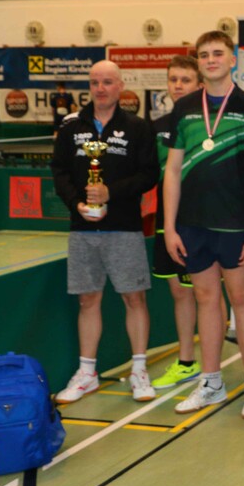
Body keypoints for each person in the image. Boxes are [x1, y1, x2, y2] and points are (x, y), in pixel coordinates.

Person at [163, 31, 244, 418]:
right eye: (204, 55)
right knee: (206, 299)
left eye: (218, 53)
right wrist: (170, 227)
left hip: (236, 223)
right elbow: (172, 171)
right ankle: (212, 383)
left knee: (241, 300)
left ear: (233, 59)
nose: (210, 60)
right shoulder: (185, 108)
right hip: (192, 224)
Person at [50, 60, 159, 404]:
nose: (101, 88)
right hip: (82, 229)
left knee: (134, 298)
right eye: (95, 82)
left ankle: (139, 370)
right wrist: (76, 203)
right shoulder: (72, 127)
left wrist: (111, 192)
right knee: (88, 299)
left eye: (108, 82)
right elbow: (59, 171)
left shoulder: (137, 128)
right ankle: (87, 373)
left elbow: (149, 174)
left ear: (120, 85)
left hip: (124, 228)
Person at [150, 55, 203, 392]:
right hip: (166, 222)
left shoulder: (208, 124)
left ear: (199, 84)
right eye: (173, 80)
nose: (178, 86)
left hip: (202, 220)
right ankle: (187, 363)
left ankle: (215, 363)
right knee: (179, 292)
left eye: (185, 80)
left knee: (207, 292)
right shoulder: (156, 128)